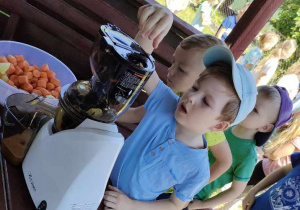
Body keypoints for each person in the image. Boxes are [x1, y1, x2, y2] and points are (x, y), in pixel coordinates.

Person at [103, 5, 257, 210]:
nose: (192, 97)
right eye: (195, 87)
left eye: (206, 101)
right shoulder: (165, 101)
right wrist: (157, 22)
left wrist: (131, 205)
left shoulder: (198, 169)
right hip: (100, 171)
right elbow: (141, 60)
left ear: (219, 125)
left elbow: (174, 205)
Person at [188, 85, 293, 210]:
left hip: (191, 194)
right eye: (249, 100)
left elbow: (236, 191)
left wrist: (202, 204)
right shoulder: (224, 124)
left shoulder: (248, 156)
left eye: (254, 109)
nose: (247, 107)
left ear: (264, 127)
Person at [248, 110, 300, 186]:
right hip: (272, 175)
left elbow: (274, 155)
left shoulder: (297, 141)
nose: (288, 122)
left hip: (266, 171)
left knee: (243, 188)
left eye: (292, 120)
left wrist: (267, 153)